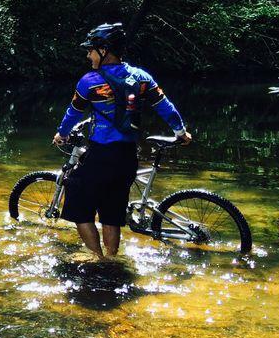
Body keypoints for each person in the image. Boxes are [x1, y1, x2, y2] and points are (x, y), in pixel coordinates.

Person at [53, 23, 192, 258]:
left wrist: (61, 134)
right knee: (112, 213)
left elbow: (73, 113)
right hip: (128, 156)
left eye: (91, 50)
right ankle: (112, 260)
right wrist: (181, 132)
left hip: (100, 155)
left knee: (77, 203)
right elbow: (165, 107)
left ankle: (98, 258)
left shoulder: (90, 81)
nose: (88, 55)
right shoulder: (141, 77)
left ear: (104, 50)